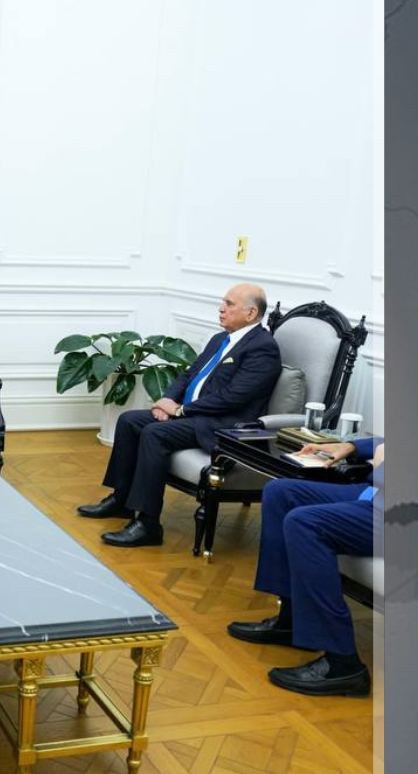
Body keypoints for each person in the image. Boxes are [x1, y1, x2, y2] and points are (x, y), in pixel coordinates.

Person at [77, 283, 282, 547]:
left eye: (229, 304)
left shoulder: (263, 348)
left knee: (154, 433)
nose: (221, 308)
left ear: (251, 313)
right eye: (223, 302)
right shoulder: (220, 339)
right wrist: (166, 401)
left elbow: (234, 397)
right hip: (192, 414)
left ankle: (148, 524)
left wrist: (182, 410)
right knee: (129, 420)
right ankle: (121, 500)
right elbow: (189, 374)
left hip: (221, 425)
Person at [227, 437, 381, 697]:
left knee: (305, 523)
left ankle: (343, 664)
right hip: (375, 494)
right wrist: (353, 446)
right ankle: (291, 621)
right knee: (280, 492)